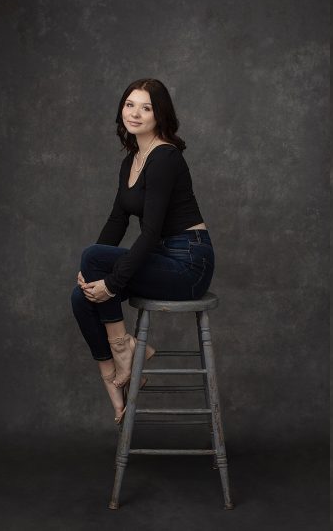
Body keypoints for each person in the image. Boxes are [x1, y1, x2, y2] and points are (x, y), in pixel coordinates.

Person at [71, 78, 214, 425]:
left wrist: (107, 275)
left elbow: (149, 233)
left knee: (94, 262)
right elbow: (116, 221)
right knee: (81, 296)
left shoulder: (165, 157)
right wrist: (93, 271)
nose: (135, 113)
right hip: (163, 258)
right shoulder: (131, 161)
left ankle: (126, 351)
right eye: (130, 104)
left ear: (159, 114)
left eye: (146, 107)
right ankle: (114, 383)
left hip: (189, 264)